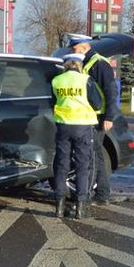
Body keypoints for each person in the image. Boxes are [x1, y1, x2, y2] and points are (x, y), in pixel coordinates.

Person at [66, 33, 121, 204]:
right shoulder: (86, 63)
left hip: (99, 117)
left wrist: (109, 116)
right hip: (88, 116)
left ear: (84, 46)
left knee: (94, 156)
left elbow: (111, 91)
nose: (72, 50)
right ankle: (101, 193)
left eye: (74, 48)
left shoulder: (99, 63)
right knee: (95, 155)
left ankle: (98, 194)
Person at [51, 53, 103, 220]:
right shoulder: (85, 80)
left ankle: (59, 207)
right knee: (82, 166)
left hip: (63, 127)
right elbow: (98, 103)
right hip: (82, 127)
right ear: (79, 65)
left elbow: (53, 102)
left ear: (66, 65)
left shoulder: (57, 81)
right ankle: (80, 208)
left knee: (61, 165)